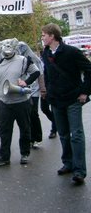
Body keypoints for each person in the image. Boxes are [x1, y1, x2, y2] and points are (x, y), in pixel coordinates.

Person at [41, 23, 91, 185]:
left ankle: (79, 171)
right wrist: (47, 92)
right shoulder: (46, 53)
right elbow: (47, 74)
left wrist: (85, 91)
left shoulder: (71, 52)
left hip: (73, 98)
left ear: (52, 36)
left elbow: (89, 70)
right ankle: (68, 163)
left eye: (44, 35)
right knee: (63, 134)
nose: (42, 38)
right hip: (56, 100)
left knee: (76, 135)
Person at [0, 38, 40, 166]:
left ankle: (24, 153)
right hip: (5, 103)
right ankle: (4, 156)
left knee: (25, 128)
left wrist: (26, 82)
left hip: (22, 101)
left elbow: (36, 72)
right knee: (5, 130)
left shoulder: (24, 60)